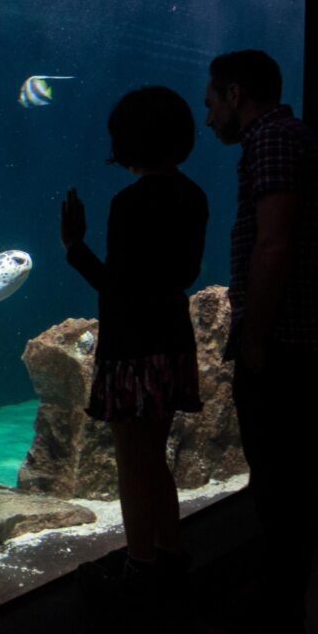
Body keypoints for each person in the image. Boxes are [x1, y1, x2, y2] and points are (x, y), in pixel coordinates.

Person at [203, 49, 318, 634]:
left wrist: (254, 337)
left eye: (211, 103)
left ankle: (280, 628)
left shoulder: (272, 141)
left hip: (284, 344)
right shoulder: (290, 137)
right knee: (281, 488)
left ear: (236, 94)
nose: (208, 119)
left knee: (281, 491)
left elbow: (275, 243)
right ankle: (278, 609)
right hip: (298, 340)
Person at [60, 85, 208, 596]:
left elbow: (116, 287)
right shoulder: (195, 195)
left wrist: (75, 247)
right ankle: (172, 552)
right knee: (156, 456)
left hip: (132, 351)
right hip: (173, 341)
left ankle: (139, 565)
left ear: (126, 143)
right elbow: (183, 272)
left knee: (132, 461)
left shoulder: (128, 203)